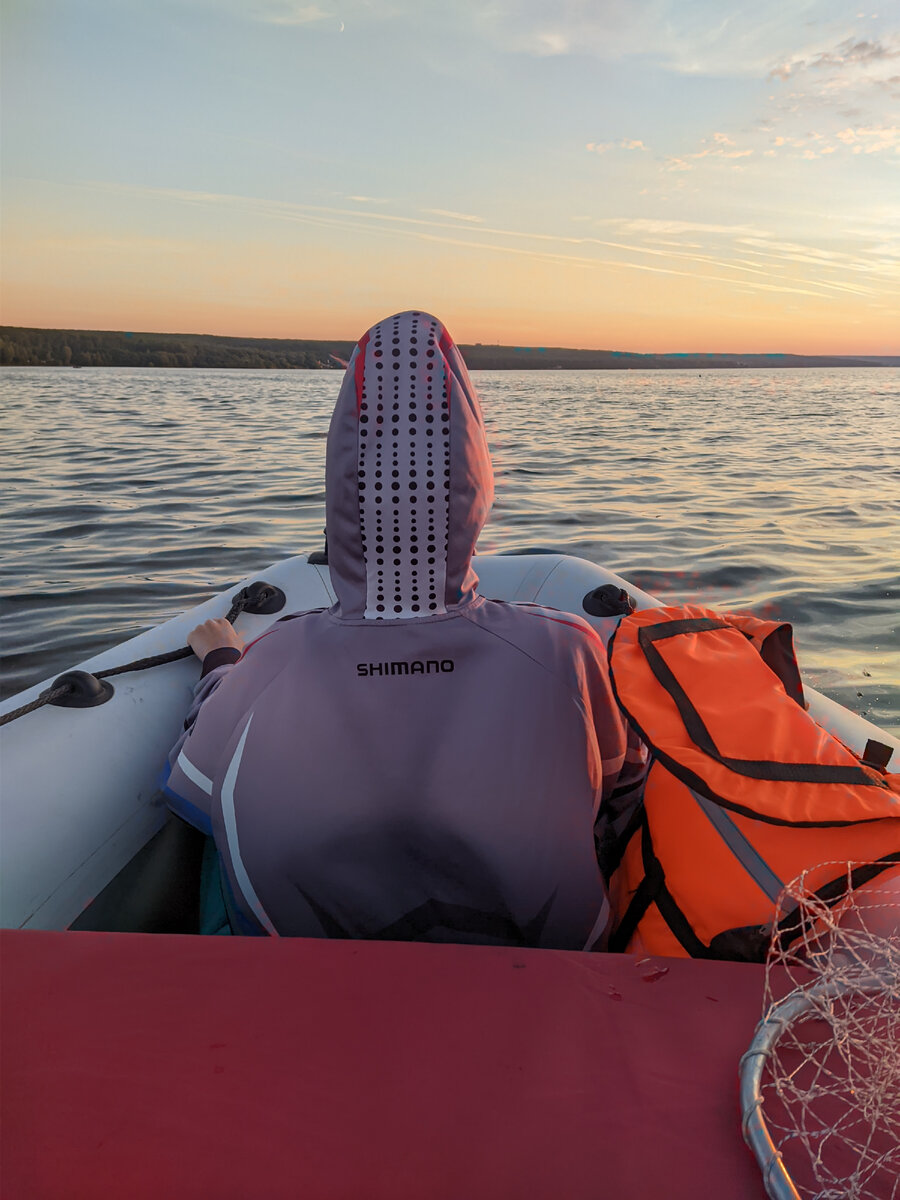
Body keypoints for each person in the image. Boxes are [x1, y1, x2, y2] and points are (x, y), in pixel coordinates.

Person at [162, 310, 647, 946]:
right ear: (474, 480)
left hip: (310, 986)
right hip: (543, 984)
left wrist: (222, 665)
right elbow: (624, 783)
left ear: (340, 488)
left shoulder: (274, 657)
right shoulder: (566, 649)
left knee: (212, 829)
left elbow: (189, 786)